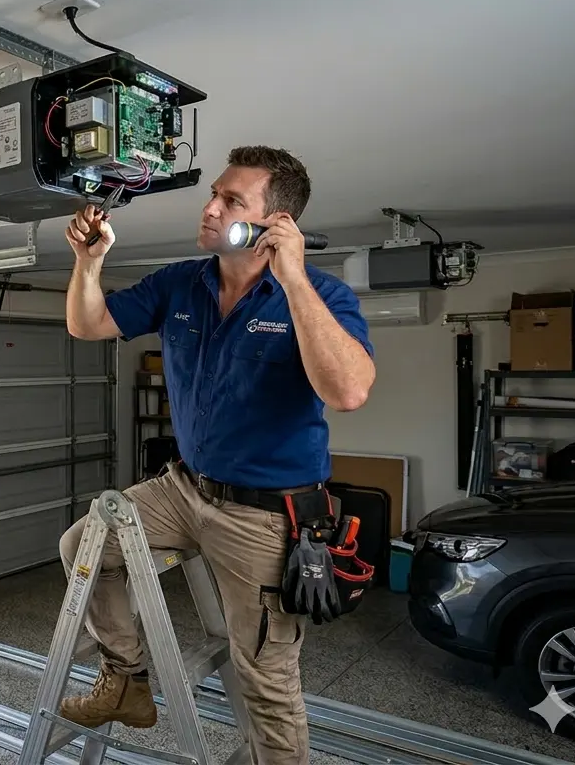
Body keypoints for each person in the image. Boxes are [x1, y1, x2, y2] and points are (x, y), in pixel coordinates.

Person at [57, 145, 376, 765]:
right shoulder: (182, 282)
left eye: (232, 201)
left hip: (265, 516)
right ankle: (126, 678)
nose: (210, 207)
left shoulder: (321, 296)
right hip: (185, 488)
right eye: (214, 193)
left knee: (267, 681)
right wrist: (88, 264)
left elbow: (349, 391)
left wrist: (295, 281)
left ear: (275, 224)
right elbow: (87, 324)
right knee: (86, 547)